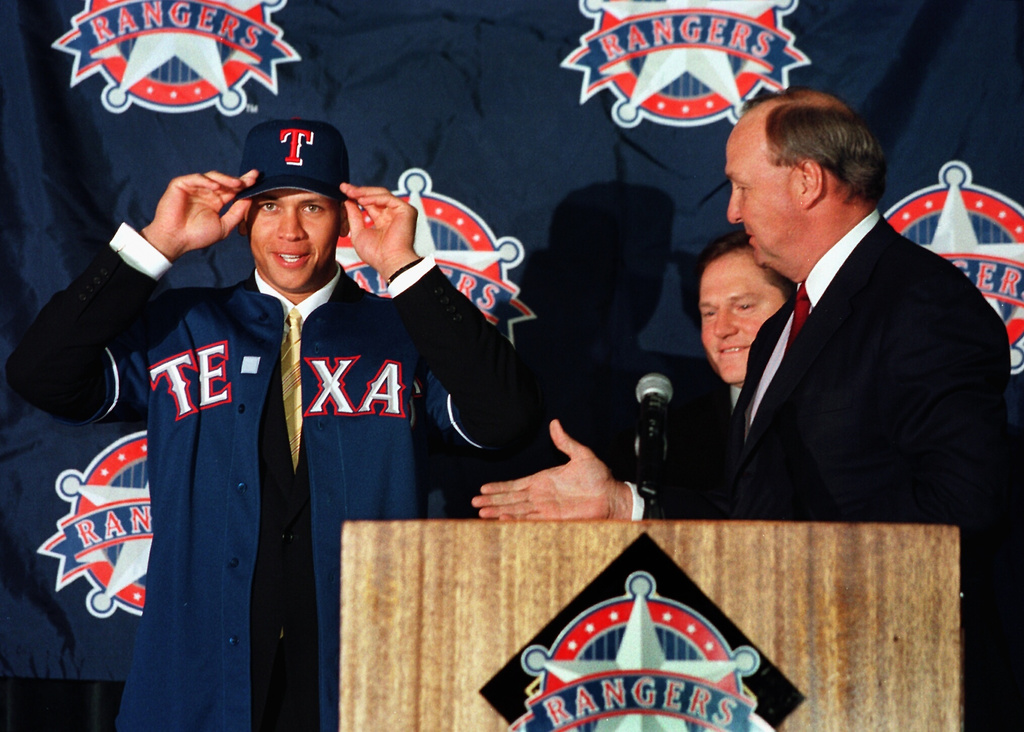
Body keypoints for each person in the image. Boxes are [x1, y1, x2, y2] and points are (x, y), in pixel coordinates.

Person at [474, 87, 1014, 726]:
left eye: (742, 187)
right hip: (795, 680)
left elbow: (961, 509)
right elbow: (759, 512)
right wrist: (626, 504)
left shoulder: (920, 302)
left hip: (895, 682)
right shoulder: (784, 330)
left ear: (807, 181)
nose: (732, 210)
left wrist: (790, 563)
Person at [6, 118, 542, 732]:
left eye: (312, 207)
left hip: (359, 673)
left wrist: (403, 266)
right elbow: (39, 374)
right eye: (269, 206)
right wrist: (157, 244)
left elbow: (507, 419)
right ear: (242, 218)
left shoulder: (403, 330)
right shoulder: (181, 325)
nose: (290, 230)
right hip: (201, 677)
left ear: (345, 219)